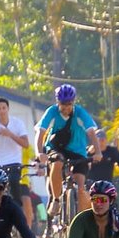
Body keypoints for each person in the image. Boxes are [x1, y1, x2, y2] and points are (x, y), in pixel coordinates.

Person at [36, 84, 104, 212]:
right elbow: (40, 133)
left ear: (73, 102)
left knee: (80, 186)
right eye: (63, 104)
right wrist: (40, 153)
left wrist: (98, 152)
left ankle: (79, 218)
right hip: (56, 149)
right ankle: (56, 200)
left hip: (77, 151)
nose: (66, 107)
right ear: (58, 102)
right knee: (57, 162)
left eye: (69, 104)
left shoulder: (80, 113)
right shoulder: (52, 112)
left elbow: (91, 133)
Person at [0, 96, 34, 224]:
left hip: (13, 162)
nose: (2, 111)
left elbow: (25, 144)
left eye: (4, 108)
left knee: (14, 188)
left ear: (8, 109)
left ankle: (17, 218)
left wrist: (10, 134)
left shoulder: (17, 123)